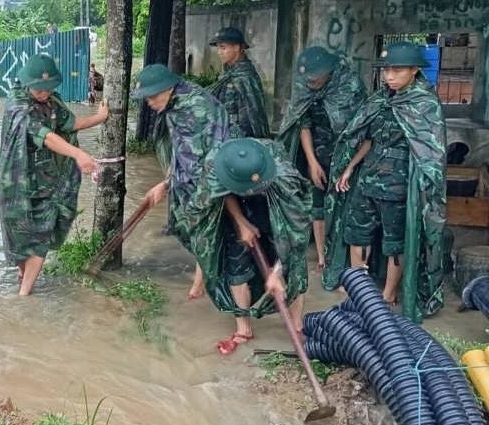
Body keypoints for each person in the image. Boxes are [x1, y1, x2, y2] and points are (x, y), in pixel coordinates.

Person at [324, 41, 447, 320]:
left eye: (397, 70)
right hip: (368, 178)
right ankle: (358, 288)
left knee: (395, 243)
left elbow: (430, 156)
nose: (389, 75)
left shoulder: (424, 104)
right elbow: (369, 139)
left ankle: (388, 293)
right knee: (356, 232)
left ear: (415, 70)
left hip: (399, 185)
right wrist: (349, 169)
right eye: (386, 70)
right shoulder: (381, 99)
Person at [183, 138, 312, 354]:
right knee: (236, 265)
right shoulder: (217, 162)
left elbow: (297, 239)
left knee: (293, 273)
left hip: (274, 203)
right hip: (236, 205)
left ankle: (297, 326)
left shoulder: (285, 180)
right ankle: (243, 330)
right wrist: (241, 222)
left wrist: (276, 272)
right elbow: (216, 195)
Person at [0, 54, 107, 295]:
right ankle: (23, 279)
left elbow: (70, 124)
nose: (44, 93)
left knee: (42, 235)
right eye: (39, 89)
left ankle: (24, 294)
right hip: (16, 183)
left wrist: (100, 117)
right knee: (19, 233)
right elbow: (46, 136)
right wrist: (78, 154)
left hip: (46, 181)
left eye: (48, 89)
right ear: (27, 83)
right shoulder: (18, 106)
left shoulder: (52, 102)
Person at [133, 63, 231, 300]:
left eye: (151, 96)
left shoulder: (200, 106)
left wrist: (203, 197)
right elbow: (180, 149)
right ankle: (203, 278)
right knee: (185, 228)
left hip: (208, 182)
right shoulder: (173, 106)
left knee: (204, 232)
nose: (148, 102)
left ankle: (207, 287)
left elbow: (218, 151)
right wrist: (166, 183)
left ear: (167, 89)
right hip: (185, 180)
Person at [277, 46, 367, 270]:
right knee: (317, 206)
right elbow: (302, 123)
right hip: (317, 153)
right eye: (307, 79)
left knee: (344, 206)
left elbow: (361, 127)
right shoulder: (304, 86)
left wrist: (349, 164)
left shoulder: (349, 85)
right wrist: (312, 162)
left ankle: (343, 257)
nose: (310, 83)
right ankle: (322, 256)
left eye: (315, 79)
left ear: (329, 72)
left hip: (346, 156)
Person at [207, 27, 270, 139]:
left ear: (236, 47)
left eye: (223, 48)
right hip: (222, 135)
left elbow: (254, 116)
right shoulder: (226, 75)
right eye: (218, 48)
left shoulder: (246, 77)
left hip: (240, 141)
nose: (219, 52)